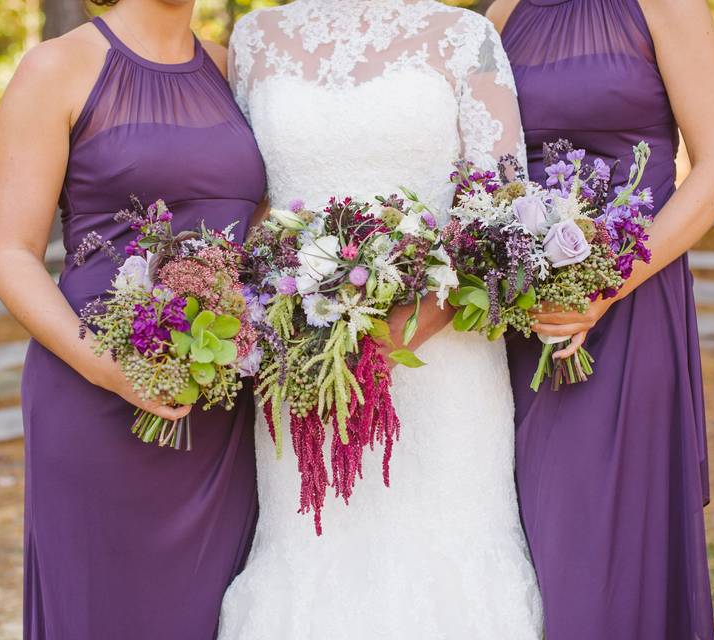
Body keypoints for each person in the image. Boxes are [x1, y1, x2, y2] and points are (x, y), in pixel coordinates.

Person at [218, 2, 542, 638]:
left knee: (446, 554)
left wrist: (398, 332)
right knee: (310, 551)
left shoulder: (465, 36)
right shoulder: (254, 39)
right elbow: (245, 195)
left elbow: (502, 204)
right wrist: (297, 318)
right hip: (303, 360)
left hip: (445, 364)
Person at [0, 1, 265, 637]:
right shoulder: (55, 68)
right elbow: (10, 253)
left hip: (220, 406)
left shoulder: (236, 70)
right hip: (93, 395)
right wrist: (108, 368)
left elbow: (264, 225)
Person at [486, 0, 714, 637]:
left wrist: (604, 286)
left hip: (633, 301)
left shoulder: (666, 6)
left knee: (607, 540)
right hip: (524, 313)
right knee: (532, 541)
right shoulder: (498, 13)